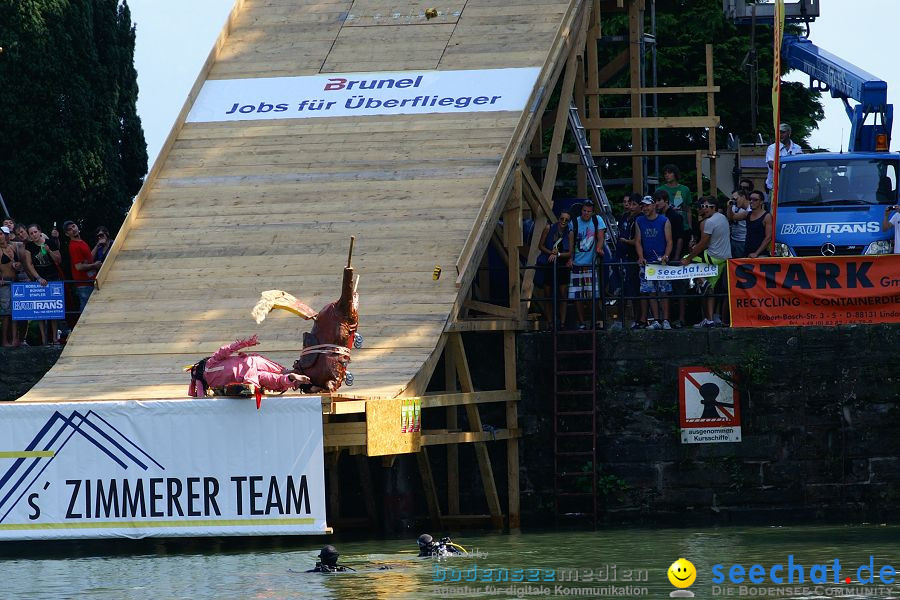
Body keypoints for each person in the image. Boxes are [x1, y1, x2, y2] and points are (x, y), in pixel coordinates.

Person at [681, 197, 731, 328]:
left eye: (706, 206)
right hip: (724, 259)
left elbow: (703, 244)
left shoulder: (709, 222)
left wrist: (689, 257)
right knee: (710, 290)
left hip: (713, 257)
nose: (703, 209)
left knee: (686, 258)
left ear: (713, 207)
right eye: (702, 206)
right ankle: (709, 319)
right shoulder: (722, 217)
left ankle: (702, 280)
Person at [634, 195, 673, 330]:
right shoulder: (639, 221)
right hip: (647, 262)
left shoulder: (664, 220)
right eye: (643, 206)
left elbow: (669, 241)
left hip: (661, 261)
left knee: (664, 291)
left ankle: (666, 319)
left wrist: (666, 256)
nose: (644, 208)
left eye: (647, 205)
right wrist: (640, 256)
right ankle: (656, 320)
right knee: (650, 291)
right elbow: (638, 241)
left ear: (653, 206)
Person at [568, 200, 606, 330]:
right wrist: (570, 258)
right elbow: (571, 243)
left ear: (592, 212)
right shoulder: (574, 222)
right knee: (578, 295)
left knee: (592, 295)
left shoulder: (597, 220)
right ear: (581, 210)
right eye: (584, 210)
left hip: (591, 263)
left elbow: (601, 237)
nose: (586, 213)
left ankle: (594, 320)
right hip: (577, 263)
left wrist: (599, 249)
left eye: (589, 211)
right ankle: (582, 322)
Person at [22, 224, 62, 345]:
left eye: (35, 232)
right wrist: (38, 277)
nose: (34, 235)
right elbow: (29, 264)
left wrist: (49, 251)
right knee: (40, 311)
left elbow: (58, 260)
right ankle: (44, 338)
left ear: (40, 231)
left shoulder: (50, 242)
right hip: (39, 279)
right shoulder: (29, 246)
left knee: (53, 309)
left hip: (53, 277)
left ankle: (55, 338)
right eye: (31, 233)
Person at [654, 189, 685, 328]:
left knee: (679, 289)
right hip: (662, 256)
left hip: (674, 257)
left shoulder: (675, 216)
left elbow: (679, 237)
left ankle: (681, 318)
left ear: (666, 200)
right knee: (665, 289)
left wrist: (677, 256)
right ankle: (665, 318)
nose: (657, 203)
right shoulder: (657, 216)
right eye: (656, 200)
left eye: (659, 200)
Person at [537, 209, 573, 329]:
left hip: (562, 265)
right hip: (549, 264)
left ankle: (562, 323)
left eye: (566, 220)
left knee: (563, 294)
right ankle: (550, 323)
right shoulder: (548, 228)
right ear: (558, 219)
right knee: (548, 294)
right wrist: (550, 253)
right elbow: (540, 245)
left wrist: (557, 255)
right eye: (562, 219)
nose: (563, 221)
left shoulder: (569, 233)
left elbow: (570, 252)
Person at [64, 220, 102, 315]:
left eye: (73, 226)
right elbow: (79, 267)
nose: (73, 230)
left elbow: (89, 258)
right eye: (69, 229)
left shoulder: (81, 242)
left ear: (77, 226)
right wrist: (94, 265)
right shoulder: (73, 246)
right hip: (83, 283)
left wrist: (97, 245)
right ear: (67, 234)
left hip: (90, 281)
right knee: (86, 311)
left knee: (91, 309)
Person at [615, 193, 642, 329]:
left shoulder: (640, 219)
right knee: (622, 289)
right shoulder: (624, 217)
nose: (630, 206)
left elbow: (638, 240)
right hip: (622, 257)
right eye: (628, 203)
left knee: (635, 290)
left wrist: (626, 241)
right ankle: (620, 320)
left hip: (634, 258)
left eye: (633, 204)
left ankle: (638, 320)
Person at [656, 164, 693, 240]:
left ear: (675, 174)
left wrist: (690, 227)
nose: (667, 175)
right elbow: (656, 209)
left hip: (683, 227)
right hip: (665, 226)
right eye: (665, 173)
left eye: (669, 173)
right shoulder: (660, 189)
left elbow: (688, 210)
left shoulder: (685, 189)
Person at [766, 123, 803, 194]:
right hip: (775, 187)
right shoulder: (772, 148)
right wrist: (790, 168)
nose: (780, 135)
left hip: (792, 186)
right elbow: (772, 164)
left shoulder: (797, 148)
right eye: (778, 133)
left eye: (783, 132)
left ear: (789, 133)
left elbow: (800, 166)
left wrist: (783, 166)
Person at [0, 228, 21, 347]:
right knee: (6, 313)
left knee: (16, 312)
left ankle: (14, 339)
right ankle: (4, 340)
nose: (1, 236)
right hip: (5, 284)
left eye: (2, 234)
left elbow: (19, 263)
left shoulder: (12, 247)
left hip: (15, 282)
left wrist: (17, 265)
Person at [745, 191, 773, 258]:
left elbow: (768, 237)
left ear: (761, 202)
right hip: (747, 252)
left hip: (761, 254)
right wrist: (730, 206)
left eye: (755, 200)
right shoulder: (747, 214)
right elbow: (732, 217)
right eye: (750, 199)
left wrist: (756, 253)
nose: (751, 201)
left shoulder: (767, 216)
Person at [727, 189, 751, 259]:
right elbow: (731, 218)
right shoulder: (735, 206)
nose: (735, 201)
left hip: (744, 240)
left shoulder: (751, 209)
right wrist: (729, 207)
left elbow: (734, 217)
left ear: (743, 197)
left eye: (736, 199)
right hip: (734, 239)